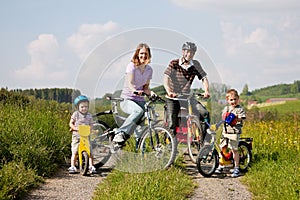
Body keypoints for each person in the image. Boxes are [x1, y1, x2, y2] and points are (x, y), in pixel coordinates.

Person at [163, 42, 210, 138]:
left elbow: (204, 78)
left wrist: (206, 91)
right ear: (183, 51)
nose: (190, 54)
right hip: (173, 98)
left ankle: (204, 141)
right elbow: (166, 78)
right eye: (188, 51)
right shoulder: (174, 63)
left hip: (187, 97)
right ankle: (170, 145)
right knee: (172, 122)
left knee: (205, 114)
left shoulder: (195, 64)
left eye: (192, 52)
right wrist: (169, 91)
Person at [112, 43, 154, 147]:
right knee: (138, 111)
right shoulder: (131, 66)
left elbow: (146, 88)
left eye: (146, 53)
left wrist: (152, 93)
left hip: (140, 100)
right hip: (127, 99)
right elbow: (129, 83)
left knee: (143, 122)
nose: (143, 56)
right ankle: (120, 132)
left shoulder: (149, 70)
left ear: (149, 55)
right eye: (141, 53)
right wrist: (134, 90)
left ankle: (139, 151)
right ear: (137, 54)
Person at [215, 89, 246, 177]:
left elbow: (242, 117)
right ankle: (221, 165)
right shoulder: (226, 108)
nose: (233, 101)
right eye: (231, 100)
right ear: (227, 100)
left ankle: (236, 168)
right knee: (222, 148)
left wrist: (237, 117)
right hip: (225, 131)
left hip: (234, 132)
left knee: (234, 149)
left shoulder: (239, 109)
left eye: (235, 99)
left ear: (238, 98)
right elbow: (223, 118)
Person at [68, 95, 97, 174]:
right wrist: (74, 127)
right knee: (75, 152)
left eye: (86, 107)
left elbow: (91, 124)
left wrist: (91, 128)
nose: (84, 108)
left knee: (90, 152)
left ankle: (91, 166)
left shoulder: (89, 115)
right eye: (82, 107)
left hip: (86, 136)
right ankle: (72, 166)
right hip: (77, 135)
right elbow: (71, 123)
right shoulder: (76, 114)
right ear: (78, 107)